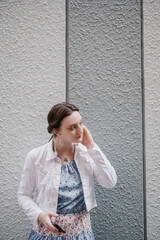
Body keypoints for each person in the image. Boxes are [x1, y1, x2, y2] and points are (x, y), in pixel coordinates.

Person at [18, 102, 117, 240]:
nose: (80, 130)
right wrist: (39, 215)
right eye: (72, 127)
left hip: (82, 235)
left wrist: (91, 146)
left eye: (81, 123)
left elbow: (110, 182)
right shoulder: (35, 157)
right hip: (46, 235)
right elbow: (23, 195)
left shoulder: (86, 153)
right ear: (56, 131)